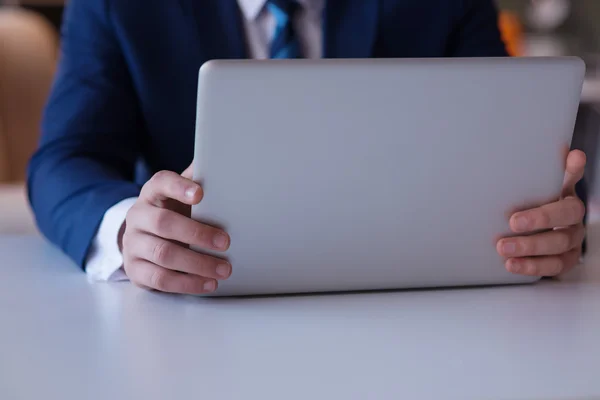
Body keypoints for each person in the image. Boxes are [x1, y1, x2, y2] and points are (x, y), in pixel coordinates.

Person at [28, 0, 588, 295]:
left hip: (426, 311)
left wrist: (548, 217)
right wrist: (129, 230)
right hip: (199, 313)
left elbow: (513, 135)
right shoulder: (116, 4)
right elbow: (64, 159)